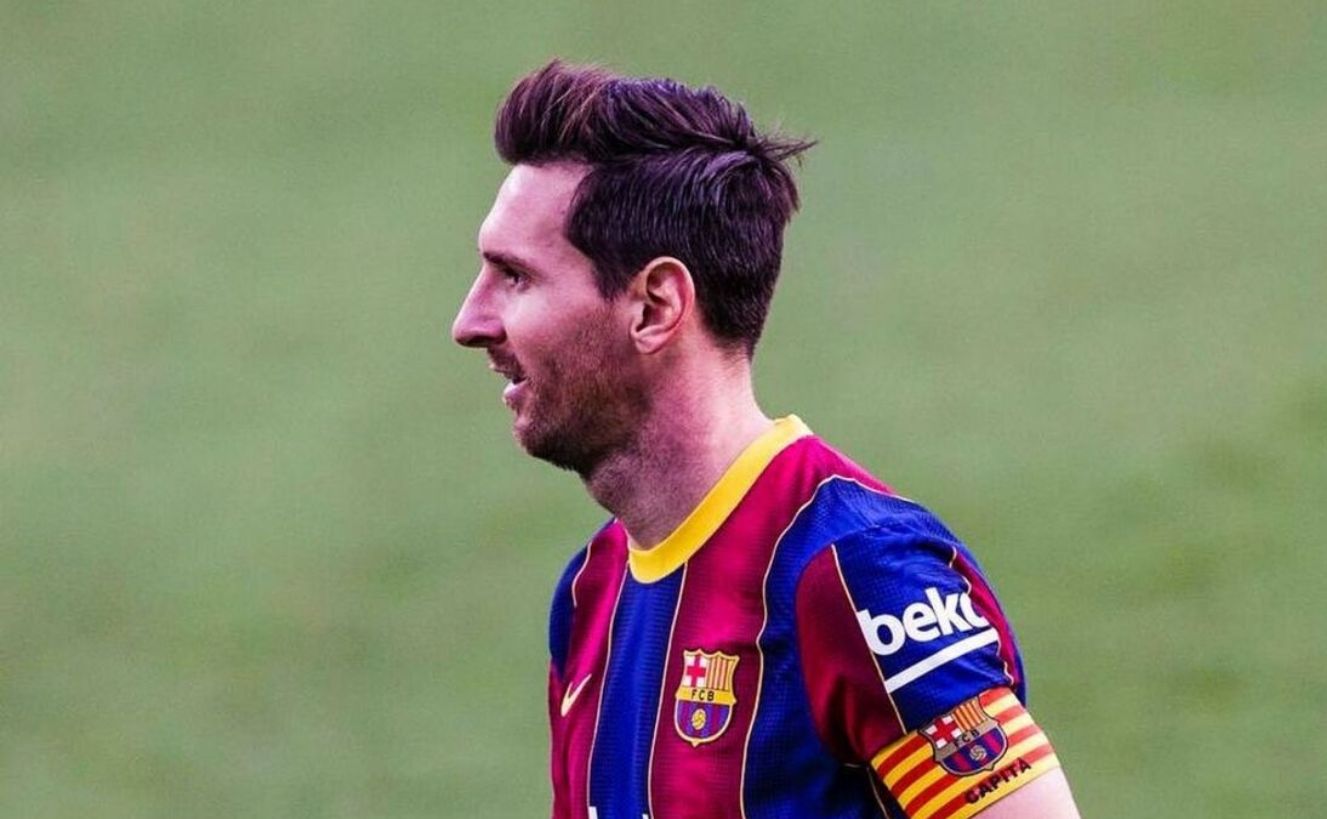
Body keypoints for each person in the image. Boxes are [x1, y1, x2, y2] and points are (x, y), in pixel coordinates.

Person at [453, 60, 1080, 819]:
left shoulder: (855, 576)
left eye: (515, 277)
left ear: (655, 307)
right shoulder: (592, 592)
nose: (470, 321)